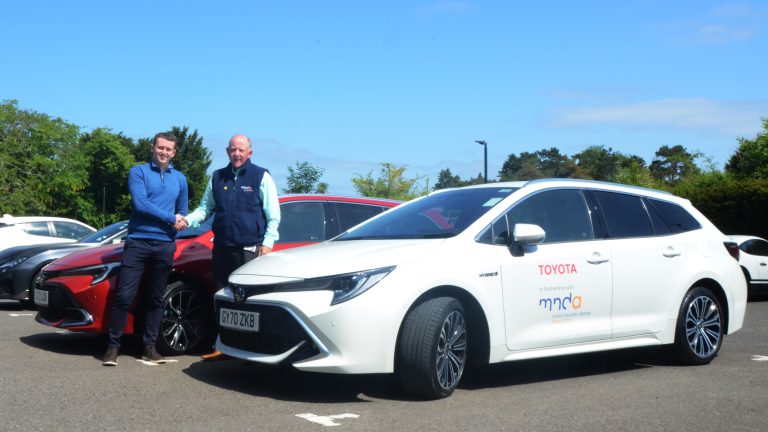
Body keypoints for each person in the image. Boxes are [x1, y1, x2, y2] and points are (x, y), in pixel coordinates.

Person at [182, 133, 281, 359]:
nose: (236, 154)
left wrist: (267, 244)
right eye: (233, 150)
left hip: (250, 250)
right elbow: (204, 209)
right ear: (227, 151)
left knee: (249, 302)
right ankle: (223, 345)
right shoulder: (217, 177)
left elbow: (273, 215)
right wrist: (187, 220)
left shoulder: (261, 176)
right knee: (223, 299)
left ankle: (252, 349)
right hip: (223, 248)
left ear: (249, 152)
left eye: (241, 150)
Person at [102, 132, 188, 366]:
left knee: (156, 298)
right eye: (160, 148)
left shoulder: (179, 178)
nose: (164, 152)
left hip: (164, 245)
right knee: (124, 296)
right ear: (153, 147)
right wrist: (171, 218)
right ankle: (113, 348)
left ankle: (149, 347)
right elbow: (141, 204)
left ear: (174, 152)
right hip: (138, 242)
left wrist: (181, 220)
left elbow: (183, 210)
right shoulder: (138, 172)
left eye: (168, 149)